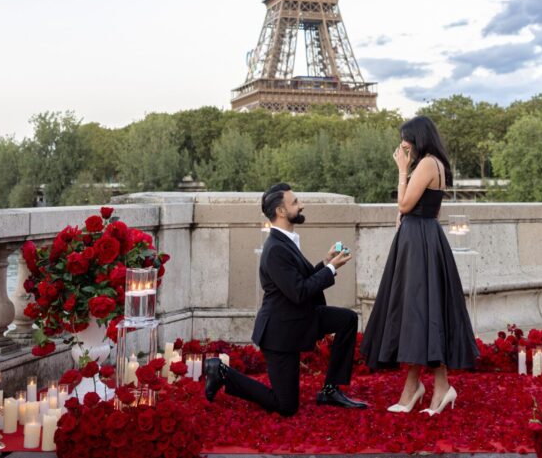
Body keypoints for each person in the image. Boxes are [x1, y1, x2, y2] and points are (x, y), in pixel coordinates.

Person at [203, 183, 367, 415]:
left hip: (300, 317)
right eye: (295, 202)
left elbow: (299, 279)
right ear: (281, 211)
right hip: (281, 333)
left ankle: (330, 389)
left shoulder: (285, 240)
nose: (302, 205)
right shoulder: (275, 249)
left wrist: (325, 261)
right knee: (285, 406)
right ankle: (221, 373)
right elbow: (299, 291)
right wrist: (330, 268)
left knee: (347, 320)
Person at [359, 116, 479, 416]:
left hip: (418, 242)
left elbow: (403, 205)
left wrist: (401, 170)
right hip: (424, 239)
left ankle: (427, 389)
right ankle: (420, 387)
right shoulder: (435, 163)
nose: (403, 145)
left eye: (406, 139)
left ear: (418, 137)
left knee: (418, 310)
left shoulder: (426, 164)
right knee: (421, 312)